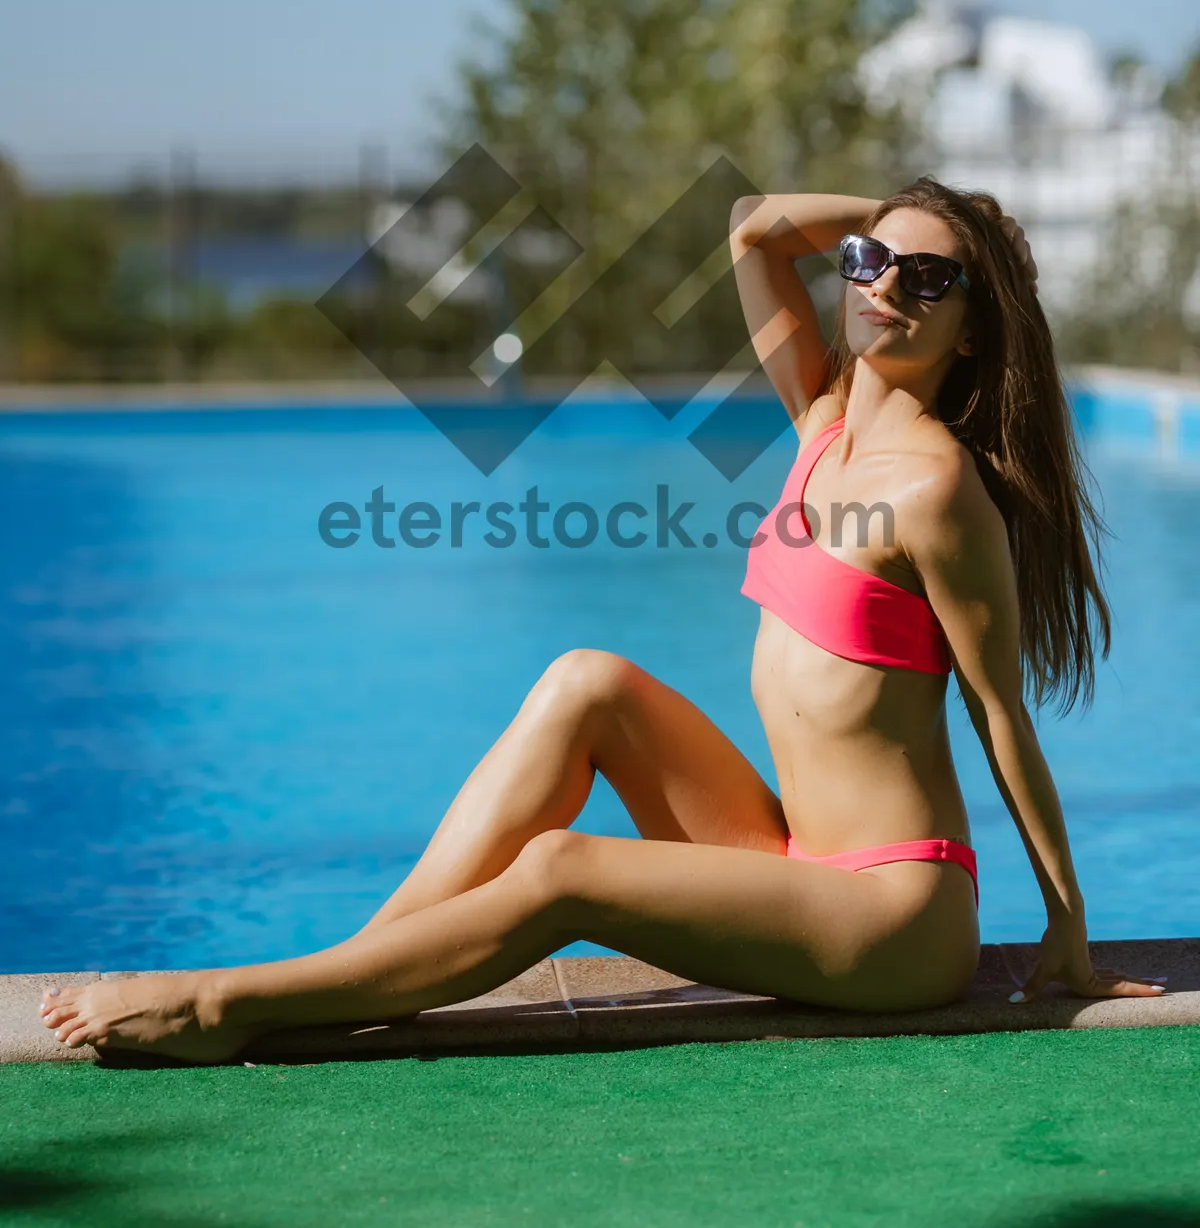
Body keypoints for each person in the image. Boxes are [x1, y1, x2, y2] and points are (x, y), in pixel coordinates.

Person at [41, 175, 1164, 1061]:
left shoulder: (938, 488)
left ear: (972, 330)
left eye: (927, 281)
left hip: (890, 911)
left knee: (566, 869)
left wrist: (1066, 926)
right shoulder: (822, 420)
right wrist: (902, 219)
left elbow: (1000, 714)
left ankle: (227, 1004)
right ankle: (358, 967)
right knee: (589, 680)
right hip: (792, 859)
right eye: (870, 265)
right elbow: (749, 232)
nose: (883, 288)